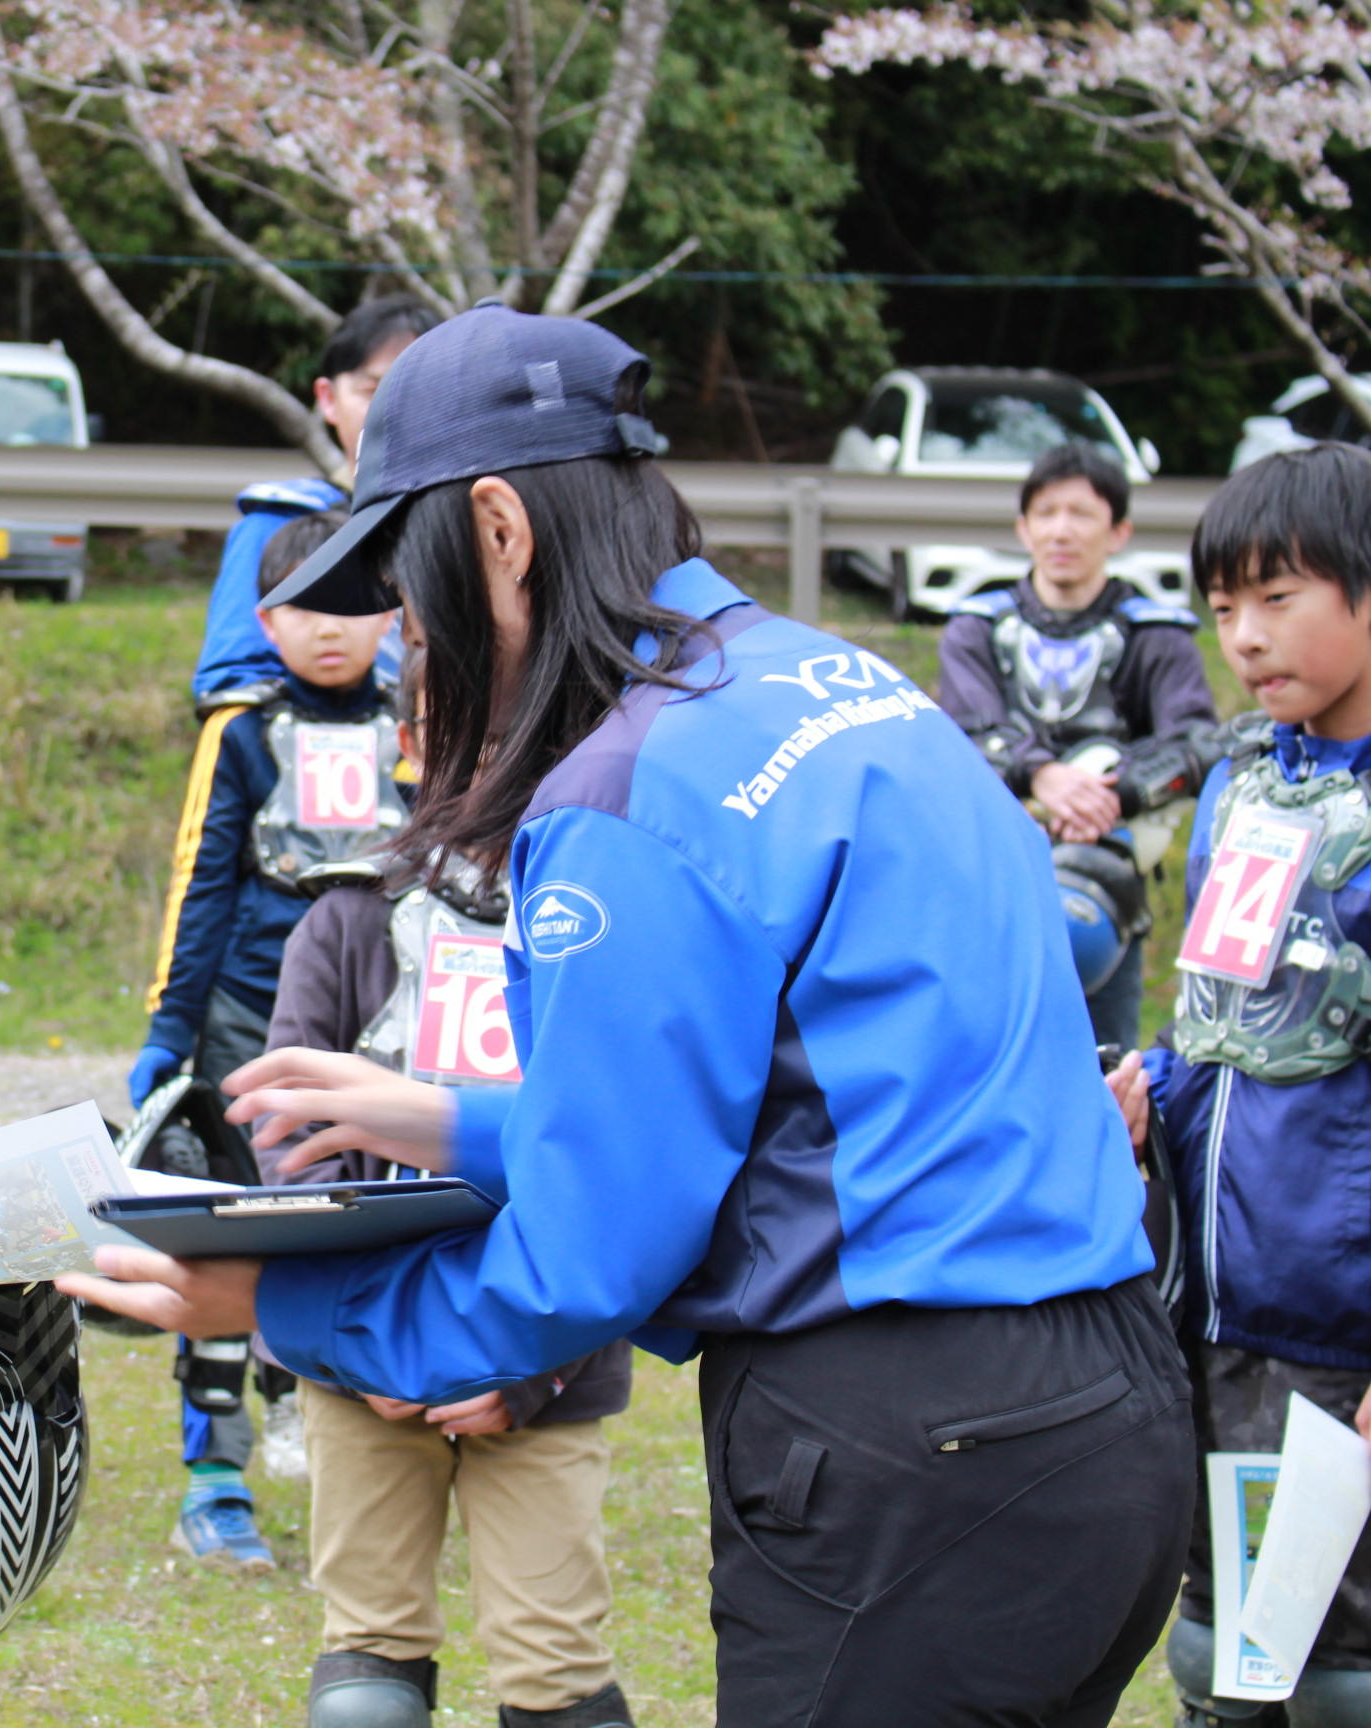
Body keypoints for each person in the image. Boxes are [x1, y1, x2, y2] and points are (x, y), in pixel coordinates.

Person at [67, 302, 1194, 1728]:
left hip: (906, 1453)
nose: (416, 641)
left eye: (411, 593)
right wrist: (458, 1119)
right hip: (1104, 1415)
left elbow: (578, 1267)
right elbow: (818, 1100)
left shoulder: (627, 792)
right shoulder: (841, 687)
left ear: (497, 530)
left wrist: (280, 1302)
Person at [268, 647, 634, 1728]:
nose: (489, 754)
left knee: (556, 1670)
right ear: (409, 747)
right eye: (457, 726)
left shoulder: (603, 939)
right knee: (367, 1678)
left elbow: (622, 1171)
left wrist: (536, 1368)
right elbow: (287, 1146)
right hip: (360, 1360)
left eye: (524, 728)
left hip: (544, 1362)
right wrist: (367, 1337)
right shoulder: (342, 919)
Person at [1132, 444, 1371, 1728]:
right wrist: (1149, 1086)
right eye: (1224, 608)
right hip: (1214, 1305)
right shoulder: (1241, 789)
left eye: (1278, 597)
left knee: (1339, 1668)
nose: (1245, 636)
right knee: (1220, 1643)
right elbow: (1218, 1020)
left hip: (1341, 1328)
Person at [134, 510, 404, 1573]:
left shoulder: (420, 722)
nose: (331, 631)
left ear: (392, 616)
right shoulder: (241, 732)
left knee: (349, 1237)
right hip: (247, 1026)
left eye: (356, 607)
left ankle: (332, 1435)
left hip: (378, 1034)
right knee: (225, 1240)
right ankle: (214, 1480)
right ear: (264, 620)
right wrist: (166, 1033)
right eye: (306, 609)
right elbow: (198, 883)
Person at [936, 442, 1219, 1046]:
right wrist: (1043, 776)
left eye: (1082, 514)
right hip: (995, 866)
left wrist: (1114, 794)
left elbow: (1197, 741)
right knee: (984, 1049)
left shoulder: (1156, 635)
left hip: (1107, 874)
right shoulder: (976, 629)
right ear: (1023, 527)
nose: (1062, 530)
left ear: (1119, 531)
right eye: (1047, 512)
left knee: (1102, 1061)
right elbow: (965, 729)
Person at [193, 296, 437, 704]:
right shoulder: (276, 523)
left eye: (418, 390)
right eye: (373, 390)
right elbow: (233, 683)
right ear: (327, 398)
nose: (394, 410)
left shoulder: (486, 523)